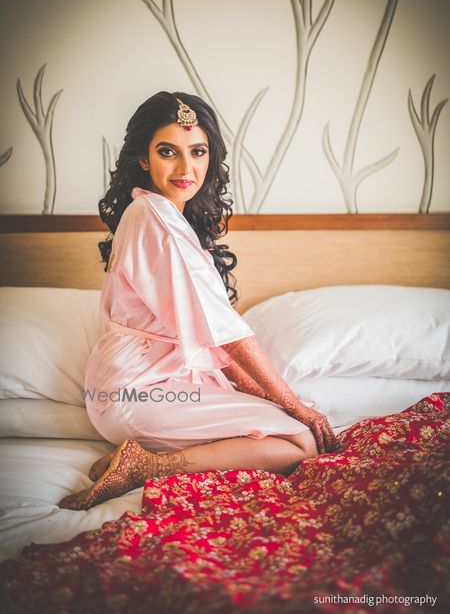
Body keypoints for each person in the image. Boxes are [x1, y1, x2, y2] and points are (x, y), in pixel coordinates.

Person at [59, 92, 337, 510]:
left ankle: (141, 459)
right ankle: (146, 467)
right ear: (143, 159)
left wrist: (264, 395)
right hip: (137, 393)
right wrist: (295, 406)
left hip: (148, 387)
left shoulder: (161, 214)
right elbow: (225, 335)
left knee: (288, 426)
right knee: (299, 441)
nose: (186, 168)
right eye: (167, 151)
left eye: (198, 152)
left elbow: (209, 337)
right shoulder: (156, 218)